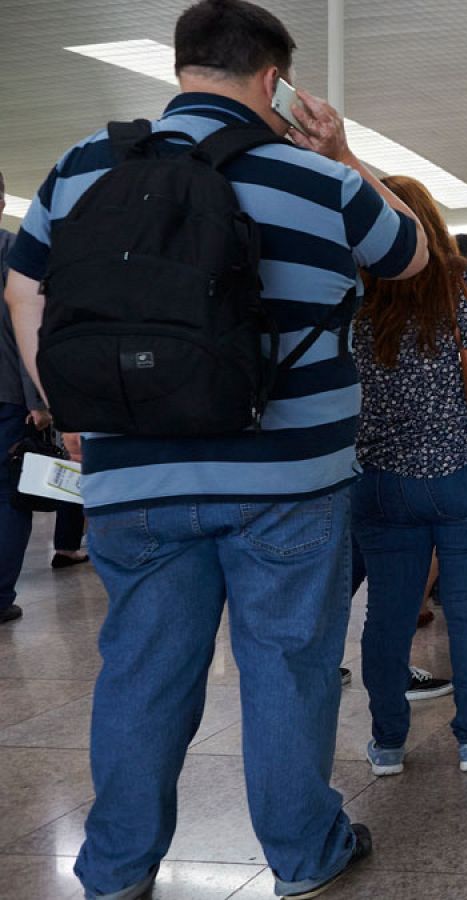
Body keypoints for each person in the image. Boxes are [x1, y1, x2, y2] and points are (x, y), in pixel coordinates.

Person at [2, 2, 429, 896]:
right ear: (274, 80)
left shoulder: (84, 165)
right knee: (288, 665)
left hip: (134, 472)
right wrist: (343, 154)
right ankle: (304, 854)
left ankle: (117, 867)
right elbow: (414, 257)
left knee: (142, 672)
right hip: (289, 474)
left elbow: (22, 292)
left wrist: (68, 407)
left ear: (182, 67)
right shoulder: (316, 178)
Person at [352, 174, 467, 782]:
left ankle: (387, 744)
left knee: (388, 614)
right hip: (466, 475)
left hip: (381, 480)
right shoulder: (457, 285)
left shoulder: (357, 292)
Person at [0, 179, 54, 626]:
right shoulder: (14, 253)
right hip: (6, 396)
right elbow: (26, 331)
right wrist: (39, 399)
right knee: (7, 495)